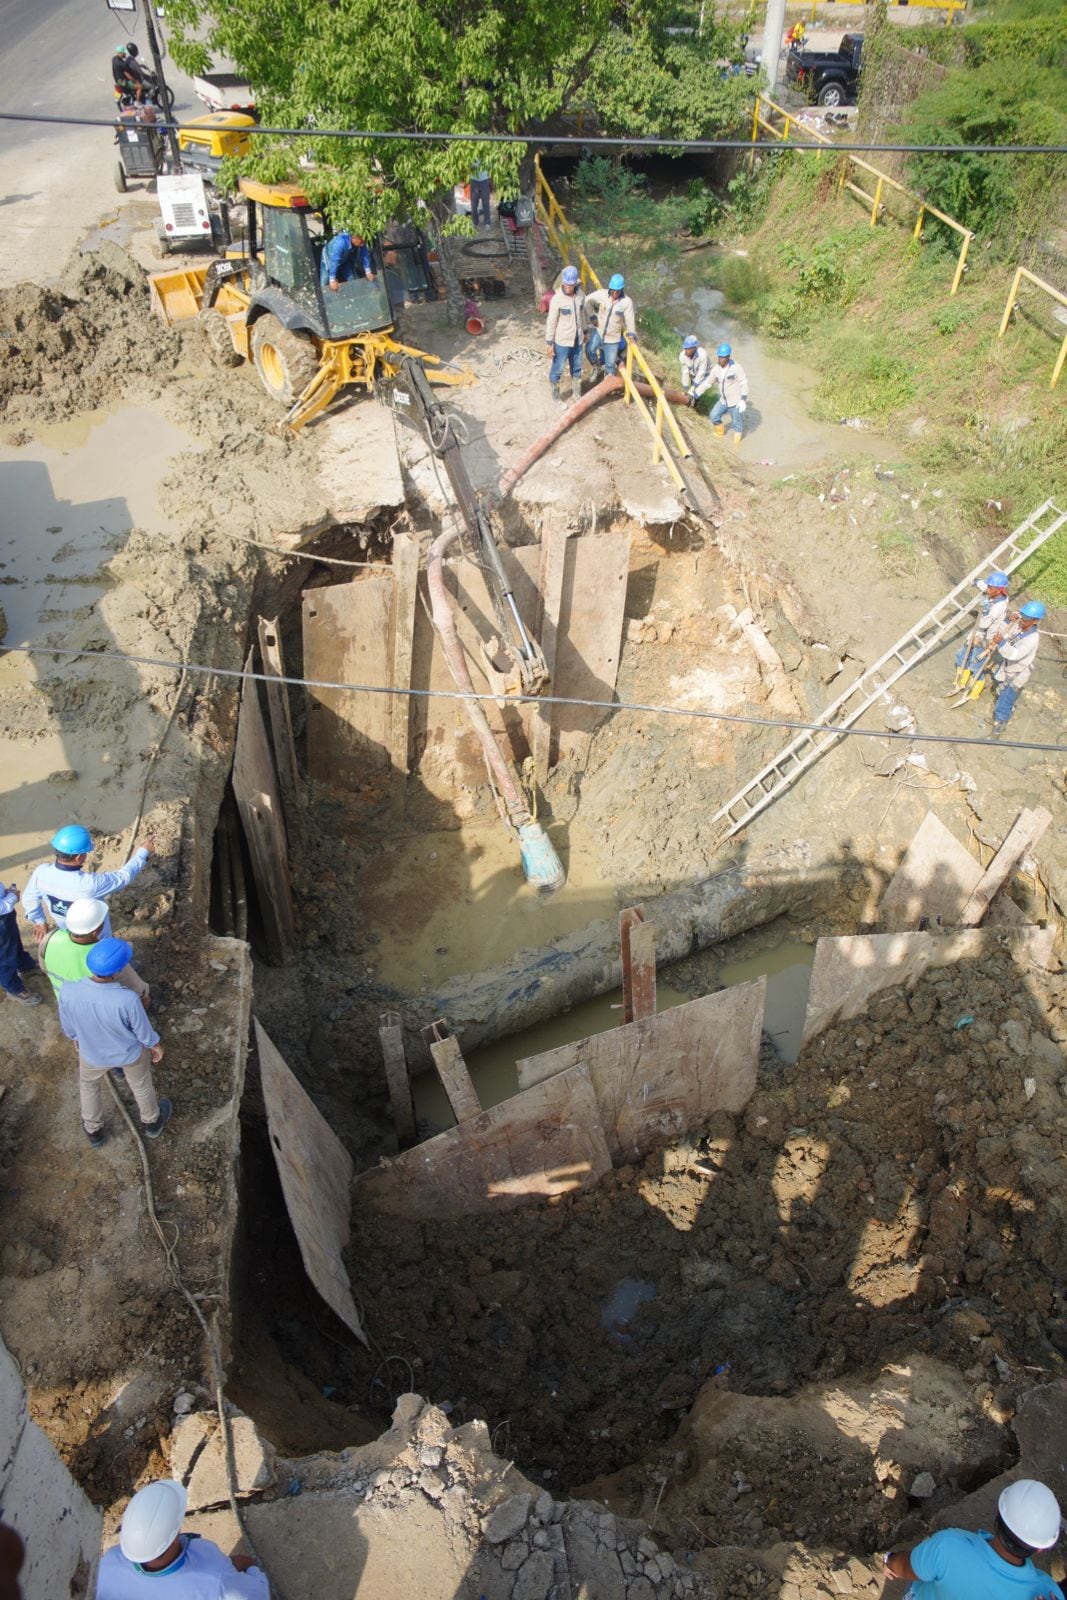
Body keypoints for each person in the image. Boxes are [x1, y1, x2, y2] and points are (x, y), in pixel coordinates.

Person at [57, 938, 170, 1148]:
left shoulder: (68, 990)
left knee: (89, 1085)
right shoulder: (127, 999)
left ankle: (94, 1131)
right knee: (141, 1085)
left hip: (91, 1053)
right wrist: (154, 1044)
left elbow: (68, 1025)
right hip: (129, 1054)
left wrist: (76, 1038)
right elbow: (142, 1031)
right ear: (118, 970)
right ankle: (152, 1122)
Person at [883, 1478, 1063, 1600]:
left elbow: (904, 1567)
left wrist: (889, 1560)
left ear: (997, 1513)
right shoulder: (1047, 1592)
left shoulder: (949, 1547)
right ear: (1041, 1548)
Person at [97, 1480, 268, 1599]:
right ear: (175, 1533)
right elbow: (257, 1594)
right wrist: (249, 1566)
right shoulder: (214, 1576)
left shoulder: (108, 1564)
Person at [21, 826, 153, 943]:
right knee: (106, 956)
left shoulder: (41, 872)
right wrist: (143, 852)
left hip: (66, 929)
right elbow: (124, 877)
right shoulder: (90, 884)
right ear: (79, 857)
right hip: (96, 934)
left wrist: (39, 921)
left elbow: (29, 899)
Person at [42, 897, 148, 1005]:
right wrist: (144, 997)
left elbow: (44, 967)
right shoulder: (105, 957)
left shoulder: (50, 938)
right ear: (95, 931)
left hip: (65, 1002)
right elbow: (139, 990)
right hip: (98, 1007)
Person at [987, 599, 1044, 737]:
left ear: (1035, 621)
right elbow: (1005, 633)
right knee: (1003, 695)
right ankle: (1004, 711)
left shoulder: (1032, 638)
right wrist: (1008, 619)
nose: (1022, 620)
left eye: (1026, 619)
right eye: (1022, 617)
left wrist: (1001, 644)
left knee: (1006, 698)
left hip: (1017, 674)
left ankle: (999, 724)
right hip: (1009, 668)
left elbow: (1015, 654)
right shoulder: (1020, 627)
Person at [955, 571, 1010, 686]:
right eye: (988, 587)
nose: (987, 590)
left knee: (977, 663)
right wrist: (976, 582)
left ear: (999, 590)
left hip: (987, 637)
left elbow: (984, 624)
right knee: (963, 653)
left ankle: (975, 688)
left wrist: (985, 610)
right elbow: (986, 586)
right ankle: (961, 680)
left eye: (990, 588)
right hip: (981, 632)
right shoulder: (996, 592)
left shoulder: (998, 607)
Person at [545, 265, 587, 404]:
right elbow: (551, 321)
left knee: (577, 368)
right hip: (562, 342)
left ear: (575, 283)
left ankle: (576, 393)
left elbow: (582, 315)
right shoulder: (557, 299)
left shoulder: (581, 296)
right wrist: (549, 343)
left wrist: (585, 331)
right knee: (557, 369)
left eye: (571, 284)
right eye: (566, 284)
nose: (568, 287)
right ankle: (556, 396)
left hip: (577, 341)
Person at [585, 274, 636, 377]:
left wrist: (631, 336)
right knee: (589, 349)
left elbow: (630, 320)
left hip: (613, 338)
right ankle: (596, 366)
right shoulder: (602, 295)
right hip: (599, 331)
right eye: (613, 290)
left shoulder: (626, 302)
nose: (615, 293)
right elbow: (587, 300)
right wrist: (592, 317)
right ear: (610, 287)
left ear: (622, 289)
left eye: (618, 290)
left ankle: (607, 381)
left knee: (610, 365)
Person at [0, 883, 41, 1007]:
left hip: (6, 914)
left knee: (14, 944)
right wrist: (12, 896)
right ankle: (14, 988)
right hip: (3, 913)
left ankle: (25, 966)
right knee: (4, 956)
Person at [708, 342, 749, 440]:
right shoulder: (716, 369)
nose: (721, 359)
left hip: (735, 402)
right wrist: (695, 392)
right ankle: (720, 433)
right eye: (719, 357)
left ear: (728, 357)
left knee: (737, 424)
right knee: (714, 416)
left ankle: (736, 445)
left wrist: (743, 399)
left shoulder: (736, 368)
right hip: (723, 401)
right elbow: (708, 382)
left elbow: (744, 383)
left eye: (723, 357)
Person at [679, 335, 714, 408]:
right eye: (685, 348)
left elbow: (701, 373)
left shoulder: (702, 355)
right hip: (694, 373)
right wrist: (685, 388)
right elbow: (685, 372)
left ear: (694, 348)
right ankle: (691, 402)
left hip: (706, 374)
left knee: (696, 392)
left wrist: (693, 387)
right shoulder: (682, 355)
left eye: (688, 349)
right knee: (689, 391)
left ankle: (695, 405)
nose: (686, 350)